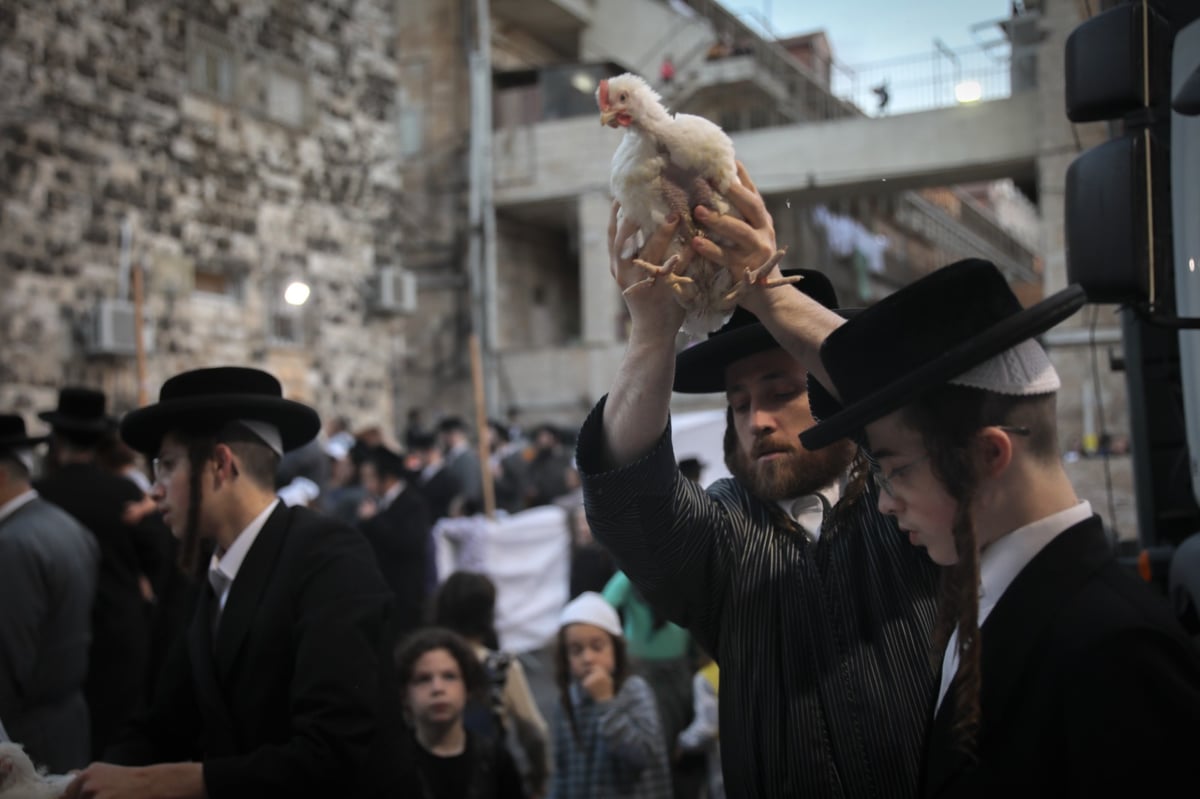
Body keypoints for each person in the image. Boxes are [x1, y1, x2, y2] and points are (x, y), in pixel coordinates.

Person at [777, 259, 1200, 796]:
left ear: (985, 455)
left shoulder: (1116, 649)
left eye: (896, 469)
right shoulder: (990, 602)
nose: (884, 502)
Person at [577, 173, 939, 797]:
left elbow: (914, 407)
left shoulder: (915, 500)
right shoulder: (723, 530)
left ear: (832, 392)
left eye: (781, 393)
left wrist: (767, 293)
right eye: (739, 404)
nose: (757, 421)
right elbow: (630, 498)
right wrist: (652, 332)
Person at [65, 366, 395, 798]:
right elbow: (165, 720)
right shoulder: (209, 571)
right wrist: (81, 782)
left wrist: (160, 782)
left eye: (167, 466)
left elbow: (329, 751)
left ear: (220, 464)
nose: (155, 491)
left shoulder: (328, 557)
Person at [34, 387, 162, 759]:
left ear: (56, 441)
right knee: (117, 744)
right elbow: (156, 557)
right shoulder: (123, 492)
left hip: (57, 633)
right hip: (120, 634)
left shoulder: (41, 495)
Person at [0, 414, 99, 772]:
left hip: (27, 738)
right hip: (68, 720)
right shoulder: (63, 523)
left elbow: (10, 666)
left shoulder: (11, 544)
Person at [433, 572, 551, 798]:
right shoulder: (501, 667)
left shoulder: (425, 664)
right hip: (487, 782)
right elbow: (535, 733)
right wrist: (538, 779)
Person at [550, 592, 671, 799]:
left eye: (597, 647)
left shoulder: (634, 691)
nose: (587, 658)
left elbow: (643, 756)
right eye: (576, 650)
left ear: (615, 648)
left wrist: (605, 702)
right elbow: (562, 772)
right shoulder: (567, 701)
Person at [385, 627, 527, 799]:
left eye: (449, 676)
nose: (437, 688)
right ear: (404, 695)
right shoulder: (391, 765)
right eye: (423, 679)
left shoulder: (495, 760)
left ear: (467, 687)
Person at [358, 445, 434, 641]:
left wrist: (374, 521)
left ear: (387, 477)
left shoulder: (412, 503)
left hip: (405, 595)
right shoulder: (379, 502)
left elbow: (409, 543)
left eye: (371, 478)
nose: (367, 484)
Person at [674, 648, 722, 799]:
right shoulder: (740, 667)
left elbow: (708, 727)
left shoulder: (706, 677)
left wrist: (682, 743)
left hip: (723, 753)